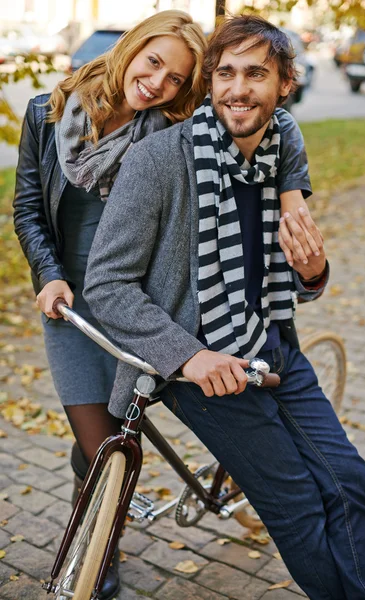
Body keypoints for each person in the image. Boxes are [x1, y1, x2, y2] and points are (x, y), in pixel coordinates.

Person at [84, 15, 365, 600]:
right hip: (197, 368)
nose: (237, 88)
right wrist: (189, 357)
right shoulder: (158, 163)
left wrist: (313, 272)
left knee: (350, 481)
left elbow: (295, 274)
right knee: (299, 505)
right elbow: (106, 284)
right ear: (208, 83)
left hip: (273, 346)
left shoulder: (282, 146)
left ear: (285, 85)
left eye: (256, 73)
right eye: (224, 73)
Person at [13, 11, 207, 600]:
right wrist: (47, 275)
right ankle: (98, 546)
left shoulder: (172, 136)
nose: (158, 84)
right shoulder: (47, 115)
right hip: (68, 305)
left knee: (112, 445)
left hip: (134, 306)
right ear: (133, 47)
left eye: (176, 80)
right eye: (155, 63)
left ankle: (99, 544)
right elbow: (27, 209)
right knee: (101, 445)